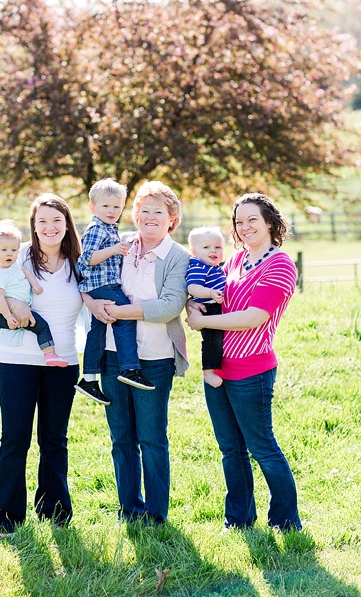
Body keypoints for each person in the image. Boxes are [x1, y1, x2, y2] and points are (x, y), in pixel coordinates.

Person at [186, 193, 301, 531]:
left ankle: (285, 520)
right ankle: (238, 519)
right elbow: (213, 301)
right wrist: (195, 308)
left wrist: (203, 322)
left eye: (252, 219)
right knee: (230, 450)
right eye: (239, 221)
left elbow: (253, 317)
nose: (245, 226)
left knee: (261, 446)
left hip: (252, 370)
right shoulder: (234, 261)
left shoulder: (280, 265)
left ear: (269, 222)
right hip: (218, 368)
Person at [0, 193, 84, 533]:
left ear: (67, 225)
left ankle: (55, 511)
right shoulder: (15, 255)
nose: (49, 227)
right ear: (33, 227)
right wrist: (10, 309)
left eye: (56, 221)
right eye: (42, 221)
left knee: (54, 438)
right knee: (15, 438)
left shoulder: (79, 263)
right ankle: (7, 517)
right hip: (17, 362)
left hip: (62, 363)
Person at [84, 180, 190, 526]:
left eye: (158, 212)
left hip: (155, 359)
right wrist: (92, 303)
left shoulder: (177, 257)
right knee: (121, 438)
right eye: (144, 210)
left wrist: (117, 312)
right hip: (114, 355)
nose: (149, 217)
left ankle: (157, 515)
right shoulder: (122, 244)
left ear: (171, 218)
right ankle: (129, 510)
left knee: (152, 438)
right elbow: (87, 278)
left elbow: (168, 306)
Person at [75, 178, 153, 407]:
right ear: (93, 207)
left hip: (100, 286)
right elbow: (87, 259)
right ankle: (130, 368)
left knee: (97, 330)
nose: (112, 211)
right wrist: (113, 250)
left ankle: (88, 379)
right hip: (102, 285)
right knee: (125, 318)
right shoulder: (96, 229)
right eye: (106, 206)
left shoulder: (109, 227)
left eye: (116, 207)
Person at [0, 219, 66, 366]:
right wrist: (8, 316)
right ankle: (50, 354)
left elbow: (25, 272)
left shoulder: (15, 266)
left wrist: (35, 285)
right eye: (4, 250)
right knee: (41, 326)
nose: (9, 254)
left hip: (10, 314)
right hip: (9, 314)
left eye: (13, 250)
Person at [185, 226, 228, 388]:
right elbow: (192, 287)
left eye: (218, 247)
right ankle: (208, 372)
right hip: (208, 308)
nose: (213, 251)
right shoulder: (198, 266)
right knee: (212, 340)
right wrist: (210, 293)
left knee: (218, 339)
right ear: (194, 252)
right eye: (206, 247)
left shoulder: (213, 266)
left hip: (215, 306)